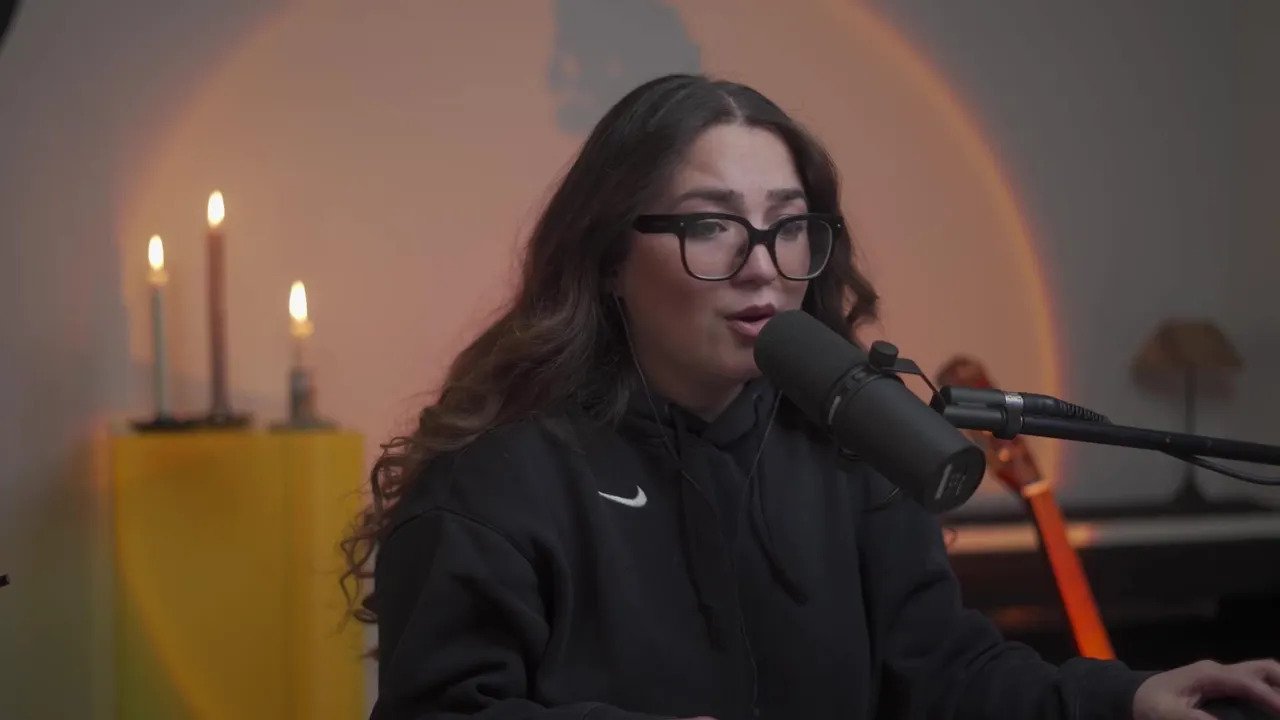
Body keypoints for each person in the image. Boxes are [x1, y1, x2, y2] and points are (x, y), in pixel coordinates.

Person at [341, 74, 1280, 720]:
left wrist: (1127, 698)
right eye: (713, 226)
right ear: (610, 259)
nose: (763, 268)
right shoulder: (499, 476)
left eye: (789, 227)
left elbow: (944, 674)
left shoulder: (849, 447)